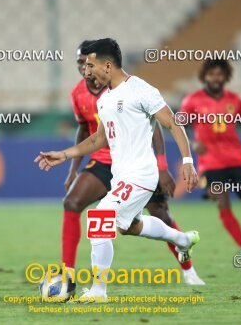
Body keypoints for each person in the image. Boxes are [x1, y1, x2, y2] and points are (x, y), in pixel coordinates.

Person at [35, 38, 200, 302]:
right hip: (121, 176)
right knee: (129, 226)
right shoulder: (105, 100)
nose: (87, 72)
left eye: (91, 65)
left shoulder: (140, 89)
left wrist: (188, 161)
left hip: (141, 174)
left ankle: (99, 291)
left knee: (100, 220)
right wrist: (64, 155)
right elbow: (98, 139)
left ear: (108, 65)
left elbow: (172, 124)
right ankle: (181, 240)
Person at [179, 59, 241, 258]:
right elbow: (177, 126)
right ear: (204, 76)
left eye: (220, 74)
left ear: (226, 77)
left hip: (238, 160)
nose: (215, 78)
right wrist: (193, 143)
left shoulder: (235, 100)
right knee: (222, 200)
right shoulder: (192, 101)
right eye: (211, 74)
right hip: (211, 163)